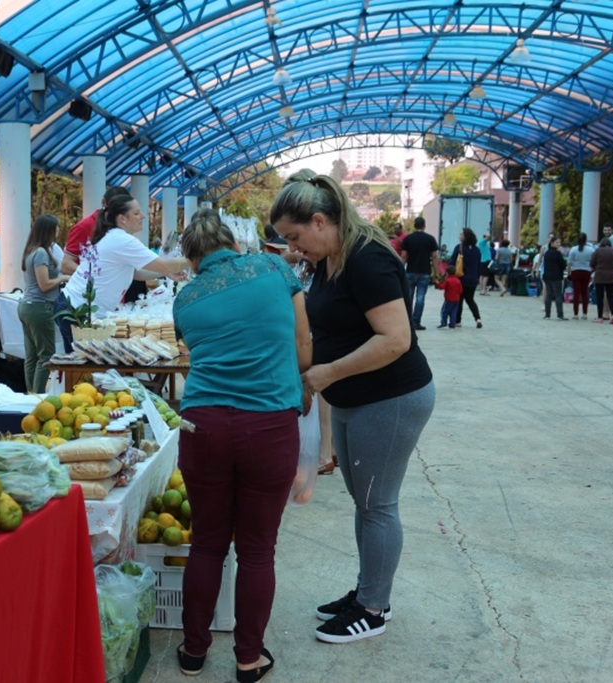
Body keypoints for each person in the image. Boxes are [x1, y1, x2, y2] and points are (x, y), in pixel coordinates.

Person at [270, 172, 435, 645]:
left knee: (377, 504)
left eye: (296, 237)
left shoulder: (367, 260)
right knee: (364, 502)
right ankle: (368, 590)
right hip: (354, 399)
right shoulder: (331, 260)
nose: (295, 248)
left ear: (320, 221)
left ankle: (374, 608)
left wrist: (327, 373)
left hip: (390, 398)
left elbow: (396, 340)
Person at [172, 209, 311, 682]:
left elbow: (196, 350)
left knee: (207, 544)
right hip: (269, 425)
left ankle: (193, 653)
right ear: (234, 242)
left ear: (192, 259)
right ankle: (248, 660)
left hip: (203, 426)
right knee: (256, 550)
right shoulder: (275, 269)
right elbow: (304, 348)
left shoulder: (186, 298)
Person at [60, 194, 189, 338]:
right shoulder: (121, 240)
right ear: (122, 218)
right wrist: (198, 257)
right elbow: (163, 264)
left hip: (83, 309)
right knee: (81, 358)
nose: (142, 216)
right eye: (136, 213)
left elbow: (135, 273)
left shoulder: (116, 237)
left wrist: (164, 272)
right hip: (78, 309)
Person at [18, 214, 70, 393]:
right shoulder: (41, 253)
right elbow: (45, 284)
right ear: (48, 230)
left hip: (29, 306)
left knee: (32, 356)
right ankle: (38, 397)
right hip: (40, 307)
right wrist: (63, 278)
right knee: (46, 355)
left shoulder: (32, 251)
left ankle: (30, 395)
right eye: (55, 228)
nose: (57, 231)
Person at [60, 186, 130, 275]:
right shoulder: (83, 227)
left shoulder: (121, 227)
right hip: (89, 286)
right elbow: (66, 264)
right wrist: (96, 275)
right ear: (104, 202)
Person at [399, 215, 440, 330]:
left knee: (409, 297)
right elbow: (435, 257)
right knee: (420, 297)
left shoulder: (408, 239)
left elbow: (403, 256)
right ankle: (416, 321)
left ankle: (408, 322)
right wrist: (436, 272)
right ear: (424, 226)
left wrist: (400, 270)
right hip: (424, 272)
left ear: (414, 225)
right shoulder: (430, 239)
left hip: (410, 271)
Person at [448, 228, 483, 328]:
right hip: (473, 279)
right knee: (470, 300)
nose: (460, 236)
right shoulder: (477, 250)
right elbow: (478, 266)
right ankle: (478, 318)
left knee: (459, 299)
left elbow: (452, 261)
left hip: (461, 278)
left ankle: (458, 321)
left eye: (461, 234)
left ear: (465, 236)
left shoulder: (459, 248)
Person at [590, 237, 613, 324]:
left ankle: (600, 317)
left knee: (599, 297)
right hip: (611, 276)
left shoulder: (597, 251)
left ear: (601, 244)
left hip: (599, 276)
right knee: (611, 296)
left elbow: (591, 263)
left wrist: (597, 267)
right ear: (609, 244)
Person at [567, 232, 594, 319]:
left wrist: (569, 273)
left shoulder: (573, 249)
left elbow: (569, 263)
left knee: (576, 293)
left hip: (576, 271)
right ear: (586, 240)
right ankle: (585, 313)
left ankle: (575, 314)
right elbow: (593, 262)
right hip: (586, 271)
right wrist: (591, 270)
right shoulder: (591, 250)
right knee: (585, 292)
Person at [541, 236, 567, 320]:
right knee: (558, 295)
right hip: (556, 276)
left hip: (547, 276)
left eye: (559, 242)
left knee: (549, 295)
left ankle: (547, 314)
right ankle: (560, 314)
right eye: (557, 242)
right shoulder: (557, 253)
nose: (559, 244)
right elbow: (563, 264)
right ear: (552, 243)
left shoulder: (547, 252)